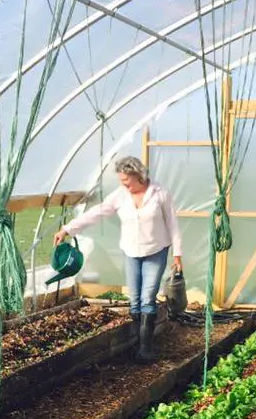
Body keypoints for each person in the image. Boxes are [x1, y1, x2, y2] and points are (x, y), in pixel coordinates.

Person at [54, 155, 182, 362]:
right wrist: (67, 229)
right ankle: (135, 344)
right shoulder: (120, 196)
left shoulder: (160, 194)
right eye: (122, 181)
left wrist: (177, 254)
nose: (124, 185)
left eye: (127, 181)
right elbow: (96, 213)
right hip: (131, 251)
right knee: (134, 300)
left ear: (138, 175)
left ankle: (145, 349)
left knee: (148, 297)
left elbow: (173, 225)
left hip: (156, 251)